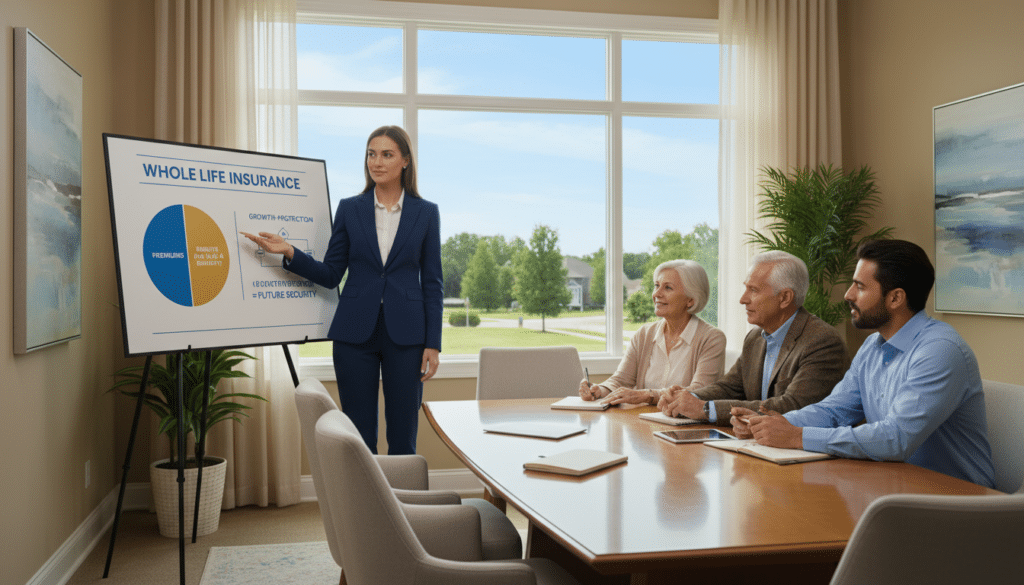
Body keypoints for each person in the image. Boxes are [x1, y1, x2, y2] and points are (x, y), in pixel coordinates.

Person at [242, 125, 442, 455]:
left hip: (407, 336)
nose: (376, 162)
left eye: (387, 155)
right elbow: (331, 273)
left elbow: (433, 284)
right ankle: (365, 507)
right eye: (371, 154)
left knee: (403, 434)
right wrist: (290, 251)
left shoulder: (426, 213)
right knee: (359, 437)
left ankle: (402, 506)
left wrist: (432, 343)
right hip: (354, 334)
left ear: (405, 161)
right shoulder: (350, 208)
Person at [741, 240, 995, 488]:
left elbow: (896, 439)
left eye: (860, 287)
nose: (848, 295)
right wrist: (768, 425)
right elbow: (834, 411)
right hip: (896, 487)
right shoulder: (873, 345)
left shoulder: (939, 351)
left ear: (896, 298)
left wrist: (796, 436)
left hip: (957, 502)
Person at [658, 251, 848, 424]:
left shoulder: (822, 341)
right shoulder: (755, 337)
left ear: (784, 298)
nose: (743, 299)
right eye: (745, 289)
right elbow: (729, 387)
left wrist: (705, 409)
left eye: (753, 290)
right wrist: (686, 397)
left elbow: (792, 406)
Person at [579, 260, 726, 406]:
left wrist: (647, 395)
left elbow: (698, 391)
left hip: (686, 426)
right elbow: (620, 381)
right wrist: (600, 390)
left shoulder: (712, 339)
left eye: (668, 288)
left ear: (691, 300)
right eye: (656, 285)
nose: (656, 293)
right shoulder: (644, 334)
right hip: (643, 423)